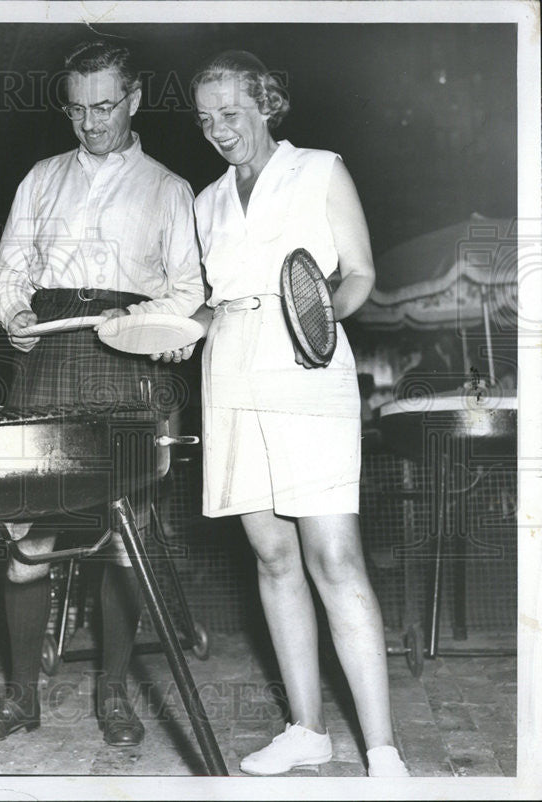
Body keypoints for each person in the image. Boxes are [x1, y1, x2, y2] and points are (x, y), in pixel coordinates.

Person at [177, 50, 409, 777]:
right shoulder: (206, 201)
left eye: (233, 114)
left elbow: (362, 272)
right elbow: (213, 304)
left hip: (309, 370)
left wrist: (319, 323)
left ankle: (383, 749)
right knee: (273, 556)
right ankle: (306, 729)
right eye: (207, 118)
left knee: (334, 557)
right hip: (233, 370)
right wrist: (175, 334)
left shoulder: (320, 170)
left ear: (268, 103)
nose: (219, 130)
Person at [0, 40, 204, 749]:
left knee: (124, 535)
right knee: (28, 531)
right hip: (49, 359)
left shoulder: (170, 189)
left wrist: (158, 329)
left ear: (133, 100)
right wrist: (12, 312)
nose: (90, 124)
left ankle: (112, 693)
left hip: (128, 362)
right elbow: (7, 268)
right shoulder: (40, 178)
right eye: (76, 110)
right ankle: (19, 698)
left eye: (104, 107)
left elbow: (190, 291)